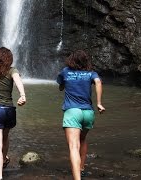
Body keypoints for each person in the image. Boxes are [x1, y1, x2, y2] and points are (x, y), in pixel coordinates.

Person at [56, 50, 105, 180]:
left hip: (72, 112)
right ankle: (81, 167)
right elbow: (98, 82)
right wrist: (99, 103)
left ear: (71, 60)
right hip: (88, 113)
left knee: (73, 146)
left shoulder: (66, 71)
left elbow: (61, 85)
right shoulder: (91, 73)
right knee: (82, 140)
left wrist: (64, 85)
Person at [0, 47, 26, 180]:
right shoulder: (12, 70)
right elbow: (18, 80)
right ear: (9, 59)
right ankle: (3, 160)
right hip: (8, 110)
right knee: (5, 137)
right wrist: (22, 95)